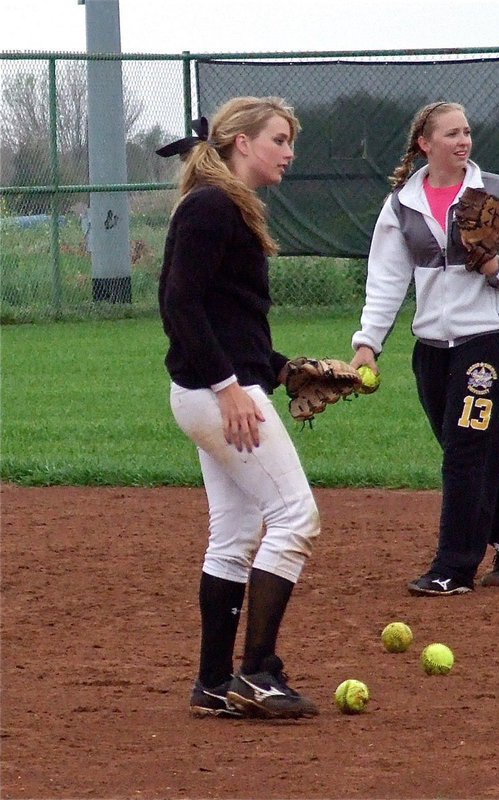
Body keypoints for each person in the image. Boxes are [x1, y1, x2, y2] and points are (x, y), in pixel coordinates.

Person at [158, 96, 320, 719]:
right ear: (241, 143)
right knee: (295, 516)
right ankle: (257, 673)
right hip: (217, 395)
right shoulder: (211, 206)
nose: (289, 152)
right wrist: (229, 387)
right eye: (279, 139)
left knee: (236, 532)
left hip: (215, 390)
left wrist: (283, 369)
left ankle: (213, 682)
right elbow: (180, 304)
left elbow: (227, 316)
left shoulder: (225, 205)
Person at [350, 101, 499, 597]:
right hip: (432, 346)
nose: (463, 141)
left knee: (466, 450)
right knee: (466, 451)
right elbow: (386, 279)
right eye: (451, 134)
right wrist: (368, 343)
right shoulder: (402, 204)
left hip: (489, 337)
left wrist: (497, 269)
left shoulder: (497, 191)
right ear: (425, 143)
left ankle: (454, 568)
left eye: (466, 132)